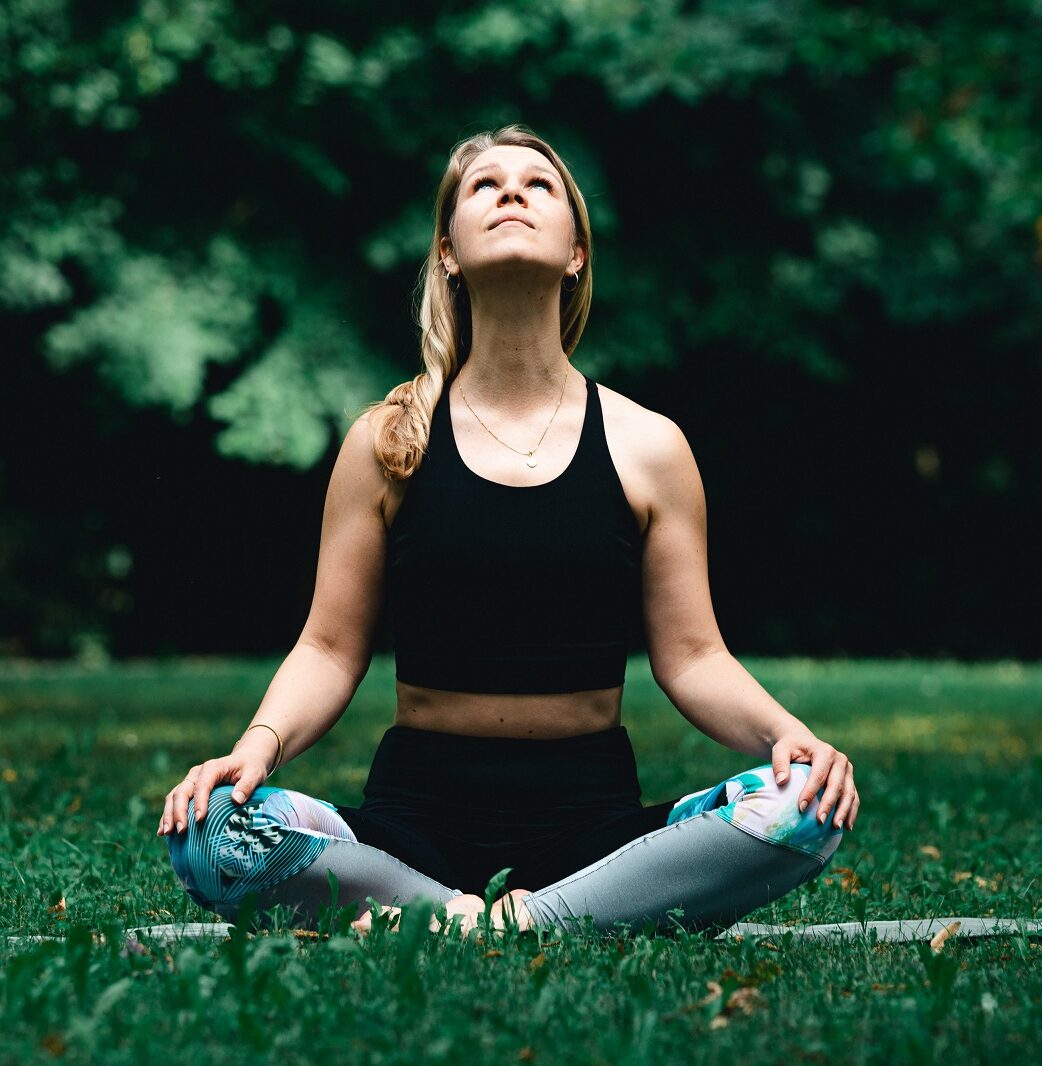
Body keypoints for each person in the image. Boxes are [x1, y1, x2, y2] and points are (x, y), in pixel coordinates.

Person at [158, 124, 858, 939]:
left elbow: (694, 658)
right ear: (448, 251)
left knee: (808, 808)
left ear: (576, 254)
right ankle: (467, 912)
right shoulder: (386, 440)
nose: (513, 193)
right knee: (209, 832)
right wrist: (256, 750)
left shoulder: (649, 447)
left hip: (596, 833)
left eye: (540, 184)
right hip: (411, 829)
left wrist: (791, 738)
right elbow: (328, 648)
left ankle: (528, 917)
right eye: (485, 185)